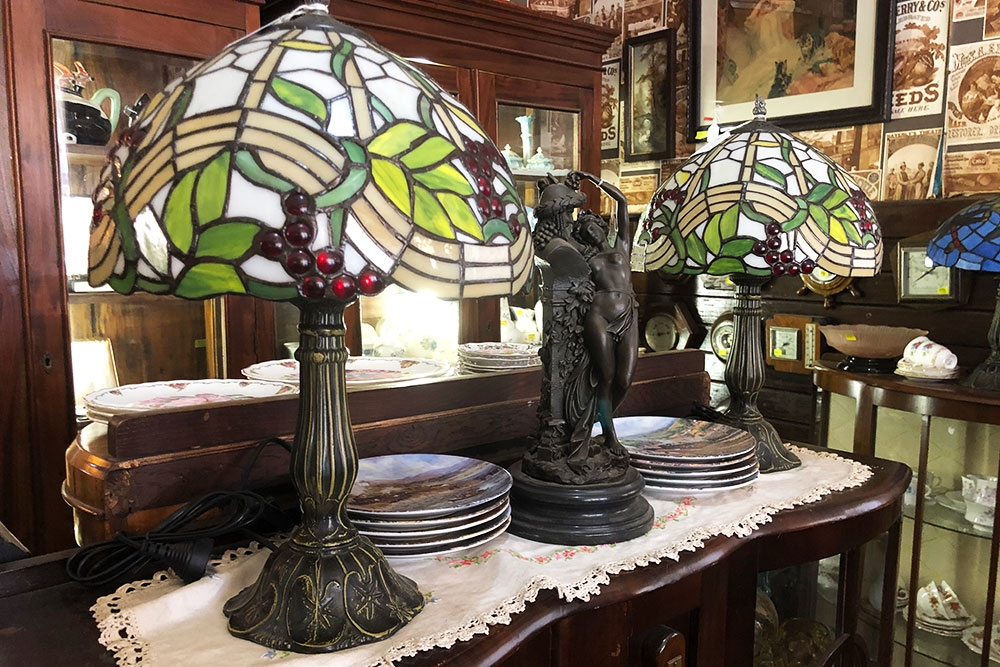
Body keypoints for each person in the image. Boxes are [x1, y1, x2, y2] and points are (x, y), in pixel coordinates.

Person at [564, 171, 638, 466]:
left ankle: (597, 419)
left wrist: (591, 179)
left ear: (602, 227)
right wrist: (567, 199)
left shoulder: (622, 246)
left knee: (625, 379)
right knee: (605, 377)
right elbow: (559, 237)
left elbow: (622, 201)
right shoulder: (586, 258)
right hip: (599, 316)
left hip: (627, 315)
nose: (591, 232)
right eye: (585, 231)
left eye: (593, 226)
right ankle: (608, 434)